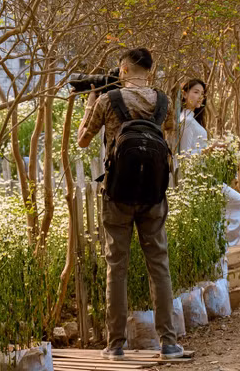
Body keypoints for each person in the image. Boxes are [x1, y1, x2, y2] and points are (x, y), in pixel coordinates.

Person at [77, 47, 185, 360]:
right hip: (153, 193)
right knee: (159, 266)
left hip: (117, 194)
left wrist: (89, 105)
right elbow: (168, 135)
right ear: (150, 71)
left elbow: (83, 140)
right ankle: (169, 342)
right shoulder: (162, 101)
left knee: (117, 268)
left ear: (123, 70)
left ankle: (115, 345)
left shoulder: (107, 100)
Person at [178, 79, 240, 245]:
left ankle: (217, 243)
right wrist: (211, 148)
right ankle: (221, 242)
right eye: (195, 92)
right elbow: (184, 156)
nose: (199, 97)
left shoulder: (191, 119)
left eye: (202, 94)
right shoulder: (186, 122)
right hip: (198, 179)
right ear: (184, 94)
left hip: (205, 176)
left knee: (225, 212)